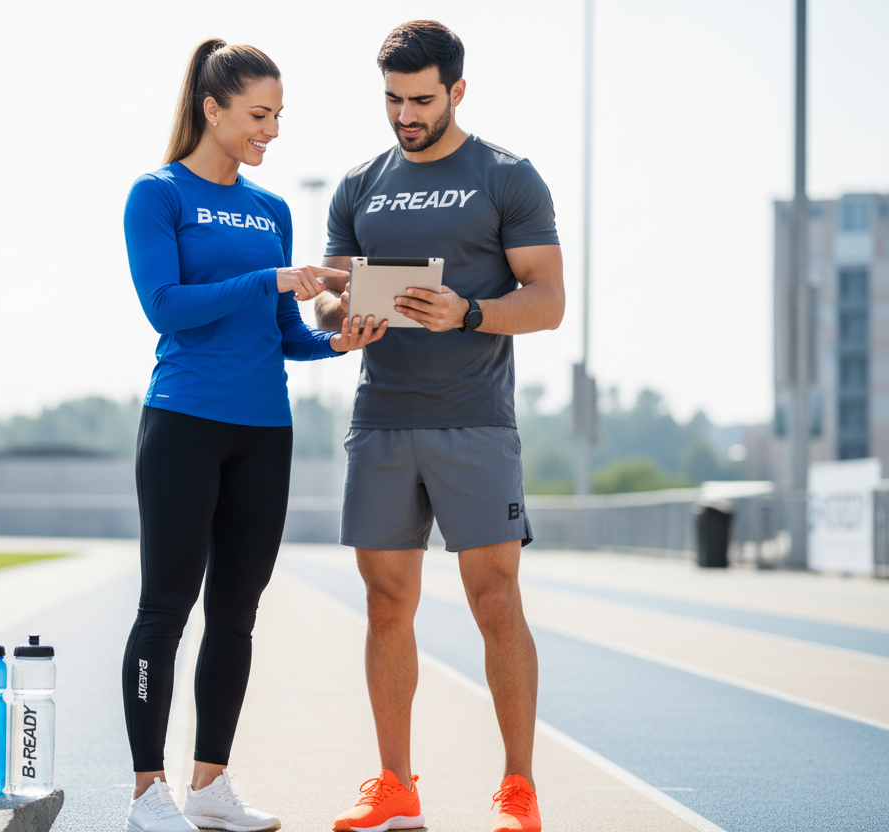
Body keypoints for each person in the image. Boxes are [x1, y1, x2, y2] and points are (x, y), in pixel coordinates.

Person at [121, 38, 386, 832]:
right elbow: (166, 308)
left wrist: (339, 342)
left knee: (237, 613)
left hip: (265, 431)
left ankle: (210, 786)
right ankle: (146, 793)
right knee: (165, 609)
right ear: (213, 109)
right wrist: (270, 277)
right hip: (183, 423)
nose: (271, 131)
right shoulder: (157, 194)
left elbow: (285, 334)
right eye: (258, 115)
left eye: (278, 117)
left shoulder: (271, 209)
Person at [313, 20, 565, 832]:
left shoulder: (507, 177)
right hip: (381, 420)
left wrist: (470, 312)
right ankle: (395, 786)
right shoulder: (359, 185)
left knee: (495, 600)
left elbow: (548, 302)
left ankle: (518, 789)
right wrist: (343, 317)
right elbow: (328, 298)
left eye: (421, 100)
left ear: (457, 90)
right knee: (387, 605)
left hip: (475, 424)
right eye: (393, 99)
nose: (405, 114)